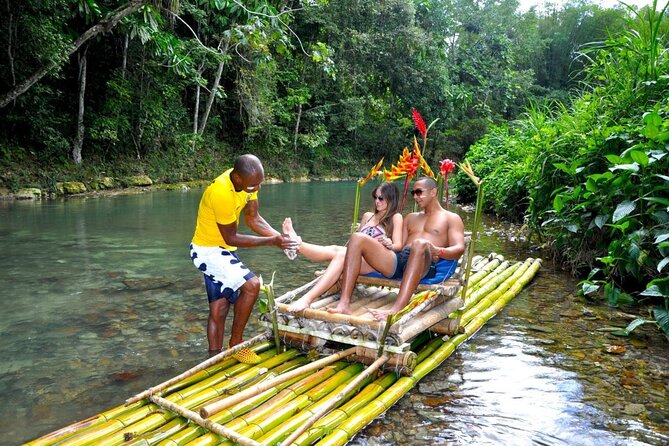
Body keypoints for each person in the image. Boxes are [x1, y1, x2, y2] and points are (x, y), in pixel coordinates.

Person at [189, 154, 298, 362]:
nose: (256, 189)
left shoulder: (248, 185)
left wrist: (280, 238)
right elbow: (230, 236)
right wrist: (272, 241)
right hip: (208, 251)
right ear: (237, 178)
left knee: (219, 307)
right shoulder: (221, 192)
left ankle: (214, 358)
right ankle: (236, 343)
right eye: (252, 186)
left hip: (223, 250)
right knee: (252, 285)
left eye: (259, 184)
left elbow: (253, 218)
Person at [328, 177, 465, 321]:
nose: (416, 197)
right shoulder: (411, 218)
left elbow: (459, 248)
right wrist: (385, 243)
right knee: (357, 237)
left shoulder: (451, 218)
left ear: (433, 192)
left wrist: (437, 250)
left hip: (424, 263)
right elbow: (398, 246)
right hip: (400, 260)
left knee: (419, 244)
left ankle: (396, 309)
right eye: (414, 193)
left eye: (419, 192)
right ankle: (344, 303)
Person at [283, 182, 404, 312]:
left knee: (340, 255)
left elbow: (399, 245)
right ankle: (296, 244)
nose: (377, 201)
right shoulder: (368, 216)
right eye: (375, 197)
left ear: (391, 198)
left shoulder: (395, 217)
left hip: (379, 262)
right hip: (359, 259)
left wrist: (389, 243)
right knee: (336, 249)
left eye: (381, 198)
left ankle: (307, 299)